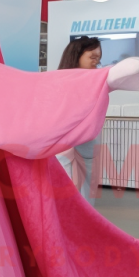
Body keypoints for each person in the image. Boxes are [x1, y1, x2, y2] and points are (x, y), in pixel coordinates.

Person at [57, 36, 102, 203]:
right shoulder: (59, 82)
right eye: (92, 57)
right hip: (64, 143)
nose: (96, 62)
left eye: (98, 58)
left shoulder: (96, 81)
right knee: (68, 188)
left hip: (88, 143)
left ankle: (85, 216)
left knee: (87, 190)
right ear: (76, 55)